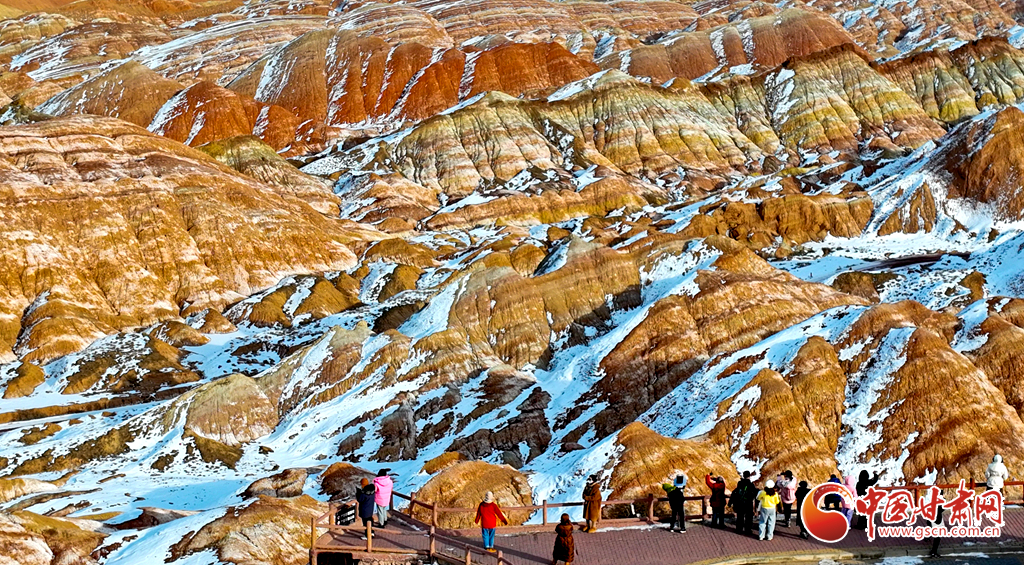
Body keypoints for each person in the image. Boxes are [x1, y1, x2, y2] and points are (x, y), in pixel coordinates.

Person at [729, 471, 756, 535]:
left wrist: (730, 502)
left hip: (740, 503)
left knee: (740, 517)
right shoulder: (751, 485)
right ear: (749, 476)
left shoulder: (740, 483)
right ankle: (747, 530)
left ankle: (739, 529)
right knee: (748, 517)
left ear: (743, 476)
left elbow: (735, 493)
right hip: (748, 503)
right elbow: (754, 494)